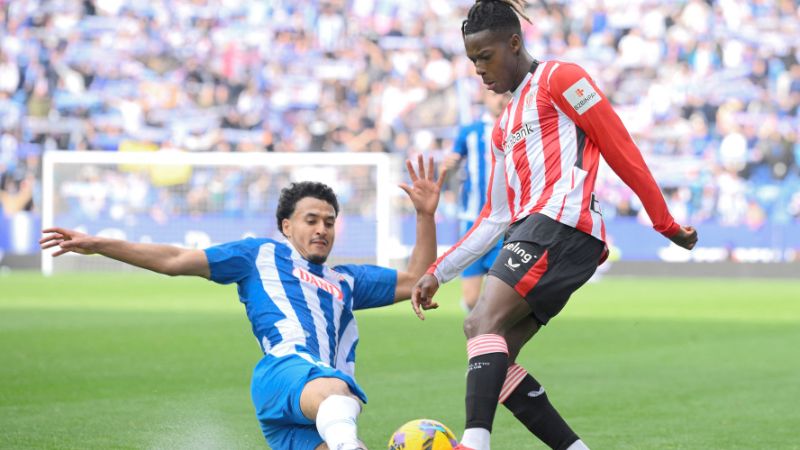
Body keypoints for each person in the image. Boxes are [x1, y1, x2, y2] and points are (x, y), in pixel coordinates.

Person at [409, 2, 699, 450]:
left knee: (479, 323)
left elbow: (618, 144)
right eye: (472, 61)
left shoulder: (561, 79)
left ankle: (473, 443)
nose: (479, 71)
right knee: (494, 353)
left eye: (485, 57)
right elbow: (495, 216)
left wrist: (664, 222)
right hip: (544, 232)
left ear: (514, 43)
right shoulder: (503, 128)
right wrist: (437, 272)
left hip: (559, 224)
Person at [40, 156, 445, 450]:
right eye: (311, 220)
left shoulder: (347, 281)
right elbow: (175, 260)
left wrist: (425, 216)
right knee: (340, 394)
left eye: (329, 221)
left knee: (337, 401)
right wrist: (98, 244)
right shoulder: (258, 255)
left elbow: (415, 280)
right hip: (284, 374)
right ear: (287, 226)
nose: (322, 229)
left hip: (309, 411)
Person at [447, 90, 509, 312]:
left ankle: (489, 334)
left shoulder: (518, 128)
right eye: (495, 95)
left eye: (505, 94)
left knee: (499, 294)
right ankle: (480, 322)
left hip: (505, 224)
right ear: (485, 98)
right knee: (472, 299)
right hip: (473, 222)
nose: (501, 99)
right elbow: (451, 165)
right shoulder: (470, 132)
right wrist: (449, 166)